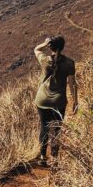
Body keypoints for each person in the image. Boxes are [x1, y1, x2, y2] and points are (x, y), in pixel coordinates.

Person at [33, 35, 77, 166]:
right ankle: (54, 158)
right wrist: (75, 101)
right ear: (63, 47)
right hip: (59, 101)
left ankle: (42, 156)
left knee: (44, 127)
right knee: (57, 129)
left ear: (51, 47)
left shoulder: (45, 60)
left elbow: (36, 49)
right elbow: (72, 84)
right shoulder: (69, 63)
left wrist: (45, 43)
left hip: (42, 99)